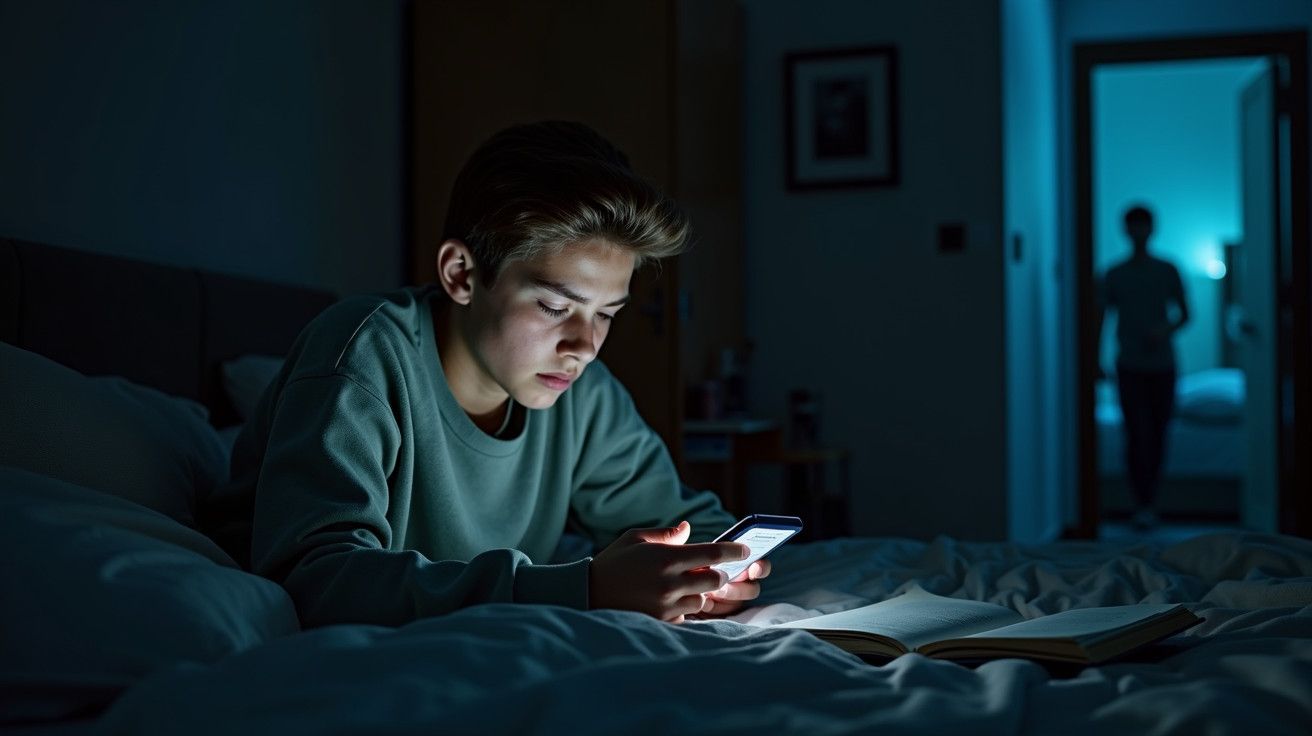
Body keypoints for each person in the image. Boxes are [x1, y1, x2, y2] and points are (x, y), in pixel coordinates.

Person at [201, 121, 763, 627]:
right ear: (461, 274)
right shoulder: (362, 351)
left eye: (607, 314)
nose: (585, 346)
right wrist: (583, 590)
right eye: (554, 307)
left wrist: (719, 565)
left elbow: (684, 520)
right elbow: (317, 578)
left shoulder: (580, 390)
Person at [1096, 204, 1190, 530]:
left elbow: (1185, 314)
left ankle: (1151, 502)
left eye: (1143, 225)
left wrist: (1162, 331)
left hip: (1163, 365)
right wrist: (1095, 359)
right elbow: (1100, 318)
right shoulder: (1114, 274)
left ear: (1152, 229)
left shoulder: (1167, 270)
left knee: (1159, 433)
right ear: (1126, 230)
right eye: (1133, 226)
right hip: (1129, 365)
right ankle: (1141, 504)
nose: (1138, 232)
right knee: (1135, 434)